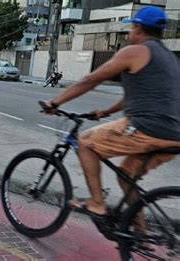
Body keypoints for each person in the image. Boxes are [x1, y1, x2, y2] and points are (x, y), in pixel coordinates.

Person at [41, 6, 180, 228]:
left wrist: (55, 102)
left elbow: (90, 80)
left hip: (145, 129)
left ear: (138, 28)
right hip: (173, 137)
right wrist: (106, 112)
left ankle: (97, 202)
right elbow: (139, 94)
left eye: (131, 28)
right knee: (126, 177)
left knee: (85, 142)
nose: (128, 34)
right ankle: (140, 236)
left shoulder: (134, 51)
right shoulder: (169, 58)